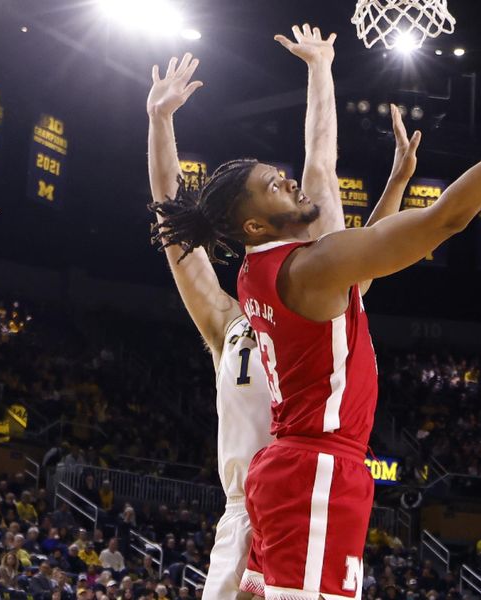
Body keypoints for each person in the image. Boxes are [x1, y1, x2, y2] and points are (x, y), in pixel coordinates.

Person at [156, 26, 481, 596]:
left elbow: (321, 176)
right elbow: (444, 219)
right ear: (254, 225)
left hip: (294, 472)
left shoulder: (260, 272)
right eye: (273, 185)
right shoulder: (306, 270)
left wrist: (322, 72)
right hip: (309, 471)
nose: (290, 179)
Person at [148, 24, 420, 600]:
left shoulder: (315, 303)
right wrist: (160, 122)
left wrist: (322, 72)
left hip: (304, 496)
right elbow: (175, 224)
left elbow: (327, 180)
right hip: (253, 510)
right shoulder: (230, 322)